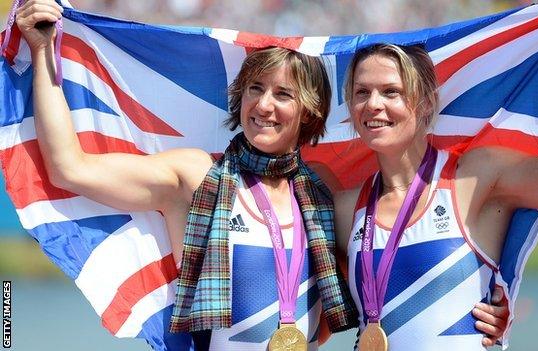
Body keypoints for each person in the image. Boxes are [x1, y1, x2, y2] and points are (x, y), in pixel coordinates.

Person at [15, 0, 511, 349]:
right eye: (255, 89)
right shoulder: (196, 177)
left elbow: (389, 274)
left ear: (309, 112)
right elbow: (70, 168)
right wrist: (41, 51)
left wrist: (484, 308)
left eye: (283, 94)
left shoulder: (323, 196)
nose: (263, 105)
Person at [335, 0, 538, 350]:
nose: (373, 104)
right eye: (361, 92)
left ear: (425, 102)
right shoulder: (346, 207)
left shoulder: (475, 178)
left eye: (391, 91)